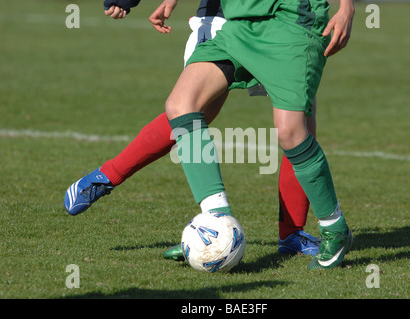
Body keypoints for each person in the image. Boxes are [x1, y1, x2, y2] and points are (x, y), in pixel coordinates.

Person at [64, 0, 321, 261]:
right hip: (225, 17)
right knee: (192, 110)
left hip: (283, 21)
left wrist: (346, 7)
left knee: (299, 124)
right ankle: (108, 178)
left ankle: (292, 235)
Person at [158, 0, 355, 269]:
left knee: (291, 132)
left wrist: (346, 8)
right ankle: (218, 223)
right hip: (239, 21)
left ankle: (335, 229)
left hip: (291, 21)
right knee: (181, 105)